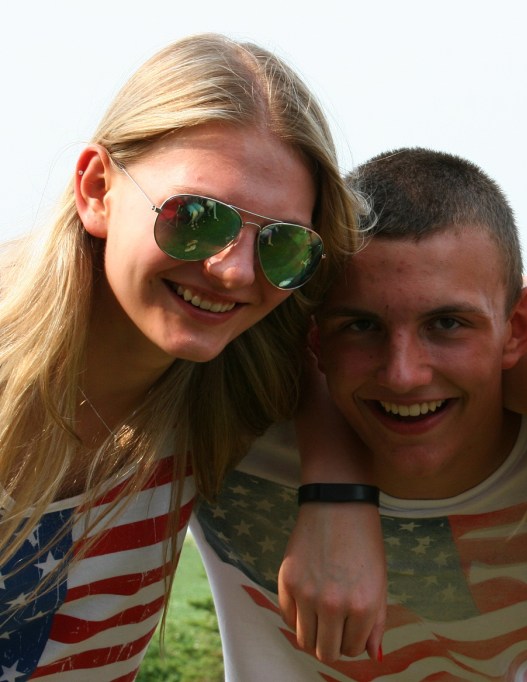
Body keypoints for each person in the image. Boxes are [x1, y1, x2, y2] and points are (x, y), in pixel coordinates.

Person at [0, 33, 362, 680]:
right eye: (197, 216)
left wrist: (339, 498)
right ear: (96, 189)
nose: (234, 272)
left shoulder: (221, 396)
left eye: (283, 246)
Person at [191, 147, 527, 680]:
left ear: (519, 328)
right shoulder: (227, 406)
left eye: (447, 323)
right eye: (360, 326)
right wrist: (336, 488)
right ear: (312, 335)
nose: (403, 374)